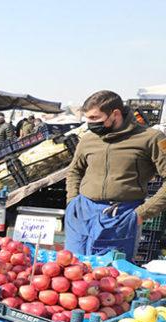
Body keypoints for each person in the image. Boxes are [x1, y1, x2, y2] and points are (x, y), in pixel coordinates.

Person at [65, 90, 166, 260]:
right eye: (88, 118)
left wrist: (142, 213)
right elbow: (75, 170)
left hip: (121, 215)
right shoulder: (88, 139)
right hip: (83, 211)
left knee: (110, 274)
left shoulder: (152, 138)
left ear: (115, 114)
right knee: (73, 269)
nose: (90, 123)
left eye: (95, 118)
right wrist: (72, 200)